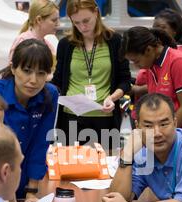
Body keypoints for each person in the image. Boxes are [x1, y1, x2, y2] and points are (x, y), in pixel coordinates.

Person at [0, 39, 58, 202]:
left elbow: (41, 143)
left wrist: (31, 191)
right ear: (13, 68)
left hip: (23, 180)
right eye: (26, 71)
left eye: (41, 73)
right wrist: (9, 199)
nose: (33, 80)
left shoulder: (50, 94)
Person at [52, 0, 131, 148]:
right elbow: (57, 80)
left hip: (105, 117)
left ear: (96, 12)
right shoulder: (65, 45)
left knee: (106, 166)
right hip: (72, 118)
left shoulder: (114, 41)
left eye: (86, 21)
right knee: (73, 167)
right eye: (76, 23)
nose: (82, 27)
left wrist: (113, 98)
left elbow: (125, 80)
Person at [121, 26, 182, 130]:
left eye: (137, 61)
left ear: (148, 50)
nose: (136, 66)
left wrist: (167, 132)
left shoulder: (179, 62)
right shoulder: (152, 65)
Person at [133, 8, 182, 104]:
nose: (157, 31)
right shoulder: (161, 52)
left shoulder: (178, 56)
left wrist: (137, 89)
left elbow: (166, 84)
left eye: (162, 27)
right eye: (154, 27)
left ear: (175, 31)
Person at [9, 0, 60, 79]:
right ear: (39, 20)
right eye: (54, 20)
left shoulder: (48, 45)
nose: (58, 24)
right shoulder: (22, 41)